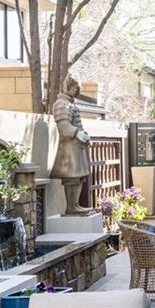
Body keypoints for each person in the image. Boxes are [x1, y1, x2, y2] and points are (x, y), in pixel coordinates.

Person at [49, 76, 93, 213]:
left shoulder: (71, 104)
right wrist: (77, 133)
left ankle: (75, 205)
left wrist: (84, 135)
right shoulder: (61, 104)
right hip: (68, 149)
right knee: (71, 177)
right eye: (76, 87)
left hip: (76, 147)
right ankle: (71, 206)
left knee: (79, 177)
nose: (78, 90)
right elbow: (63, 127)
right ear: (69, 87)